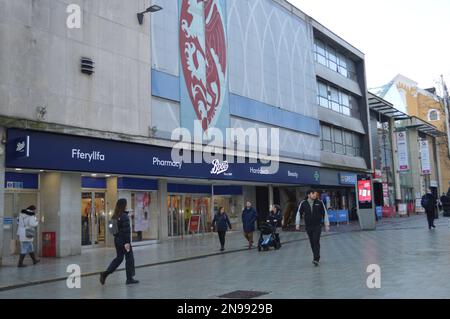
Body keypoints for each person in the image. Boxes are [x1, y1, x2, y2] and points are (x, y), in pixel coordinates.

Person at [100, 199, 139, 285]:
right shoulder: (124, 216)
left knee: (119, 258)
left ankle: (105, 273)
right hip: (125, 242)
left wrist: (118, 236)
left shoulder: (114, 216)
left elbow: (111, 230)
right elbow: (127, 231)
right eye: (126, 204)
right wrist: (127, 243)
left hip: (117, 241)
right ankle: (129, 279)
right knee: (129, 258)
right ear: (123, 205)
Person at [295, 190, 330, 267]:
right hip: (308, 226)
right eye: (313, 193)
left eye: (315, 194)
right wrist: (297, 224)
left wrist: (326, 224)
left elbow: (325, 213)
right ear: (308, 194)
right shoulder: (303, 203)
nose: (314, 195)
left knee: (316, 240)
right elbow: (298, 213)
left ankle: (316, 258)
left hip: (317, 225)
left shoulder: (320, 202)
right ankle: (315, 256)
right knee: (312, 242)